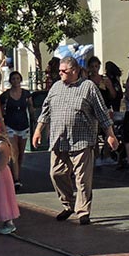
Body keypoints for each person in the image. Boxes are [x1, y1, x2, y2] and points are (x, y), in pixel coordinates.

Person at [33, 57, 119, 225]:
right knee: (56, 173)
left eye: (63, 71)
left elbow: (102, 113)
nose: (60, 73)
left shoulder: (88, 87)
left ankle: (83, 212)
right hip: (59, 140)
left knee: (82, 178)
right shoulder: (56, 87)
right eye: (59, 71)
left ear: (74, 71)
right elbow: (46, 111)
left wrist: (110, 134)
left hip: (82, 140)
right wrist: (38, 131)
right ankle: (68, 204)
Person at [0, 71, 32, 191]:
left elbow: (30, 107)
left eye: (18, 78)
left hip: (24, 125)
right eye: (13, 79)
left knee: (21, 154)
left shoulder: (26, 94)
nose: (16, 81)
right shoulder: (6, 95)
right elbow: (1, 109)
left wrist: (34, 119)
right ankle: (16, 179)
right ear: (10, 80)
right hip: (10, 126)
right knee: (14, 151)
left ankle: (16, 172)